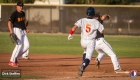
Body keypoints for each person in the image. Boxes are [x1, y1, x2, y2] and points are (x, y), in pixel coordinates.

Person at [68, 7, 104, 77]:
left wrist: (70, 34)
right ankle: (83, 66)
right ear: (93, 14)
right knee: (88, 58)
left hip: (83, 41)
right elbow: (101, 31)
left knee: (85, 51)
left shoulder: (82, 20)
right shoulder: (96, 22)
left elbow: (74, 27)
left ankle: (83, 63)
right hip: (91, 42)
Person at [8, 1, 30, 67]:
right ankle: (12, 61)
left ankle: (16, 58)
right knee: (19, 45)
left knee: (27, 45)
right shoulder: (14, 14)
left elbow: (23, 22)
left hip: (23, 31)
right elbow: (9, 23)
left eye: (22, 6)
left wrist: (26, 28)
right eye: (20, 6)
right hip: (16, 29)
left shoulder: (23, 13)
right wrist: (11, 31)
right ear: (16, 6)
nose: (21, 7)